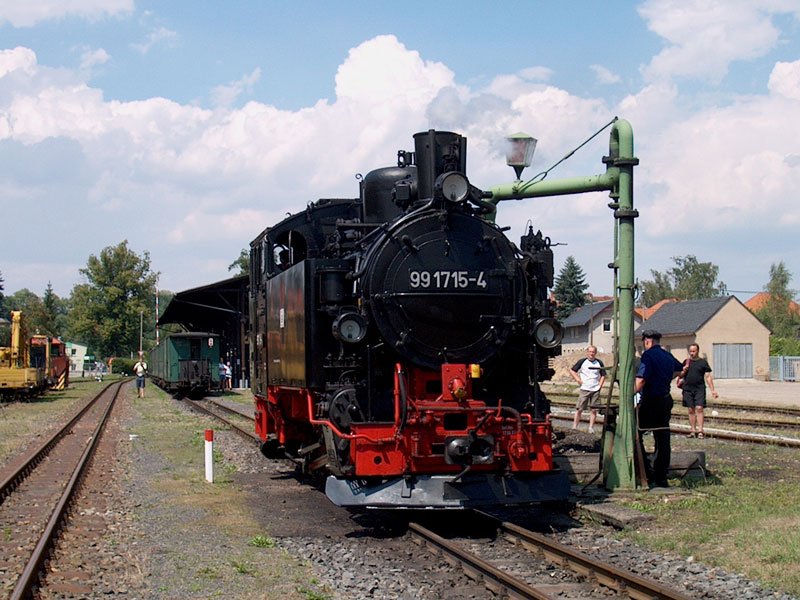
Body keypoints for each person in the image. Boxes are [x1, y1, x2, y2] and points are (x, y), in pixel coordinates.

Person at [635, 330, 682, 488]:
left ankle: (645, 471)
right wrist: (666, 378)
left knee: (636, 433)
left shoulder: (648, 356)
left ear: (647, 341)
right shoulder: (667, 355)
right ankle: (661, 476)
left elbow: (641, 380)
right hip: (665, 400)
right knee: (662, 436)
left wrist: (628, 394)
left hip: (651, 401)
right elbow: (680, 369)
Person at [679, 343, 718, 438]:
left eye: (694, 351)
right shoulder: (686, 362)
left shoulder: (703, 362)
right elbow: (679, 375)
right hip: (687, 389)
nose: (692, 353)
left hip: (699, 389)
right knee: (690, 409)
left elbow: (708, 376)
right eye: (690, 351)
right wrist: (684, 370)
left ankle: (700, 430)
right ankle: (692, 430)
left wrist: (713, 390)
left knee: (699, 408)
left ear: (697, 351)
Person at [569, 345, 606, 433]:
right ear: (587, 352)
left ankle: (591, 427)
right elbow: (572, 370)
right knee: (579, 409)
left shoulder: (599, 363)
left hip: (595, 389)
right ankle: (574, 427)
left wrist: (600, 385)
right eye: (590, 352)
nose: (591, 354)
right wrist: (578, 380)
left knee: (594, 409)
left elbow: (603, 375)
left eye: (593, 352)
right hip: (585, 388)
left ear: (595, 353)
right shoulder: (582, 361)